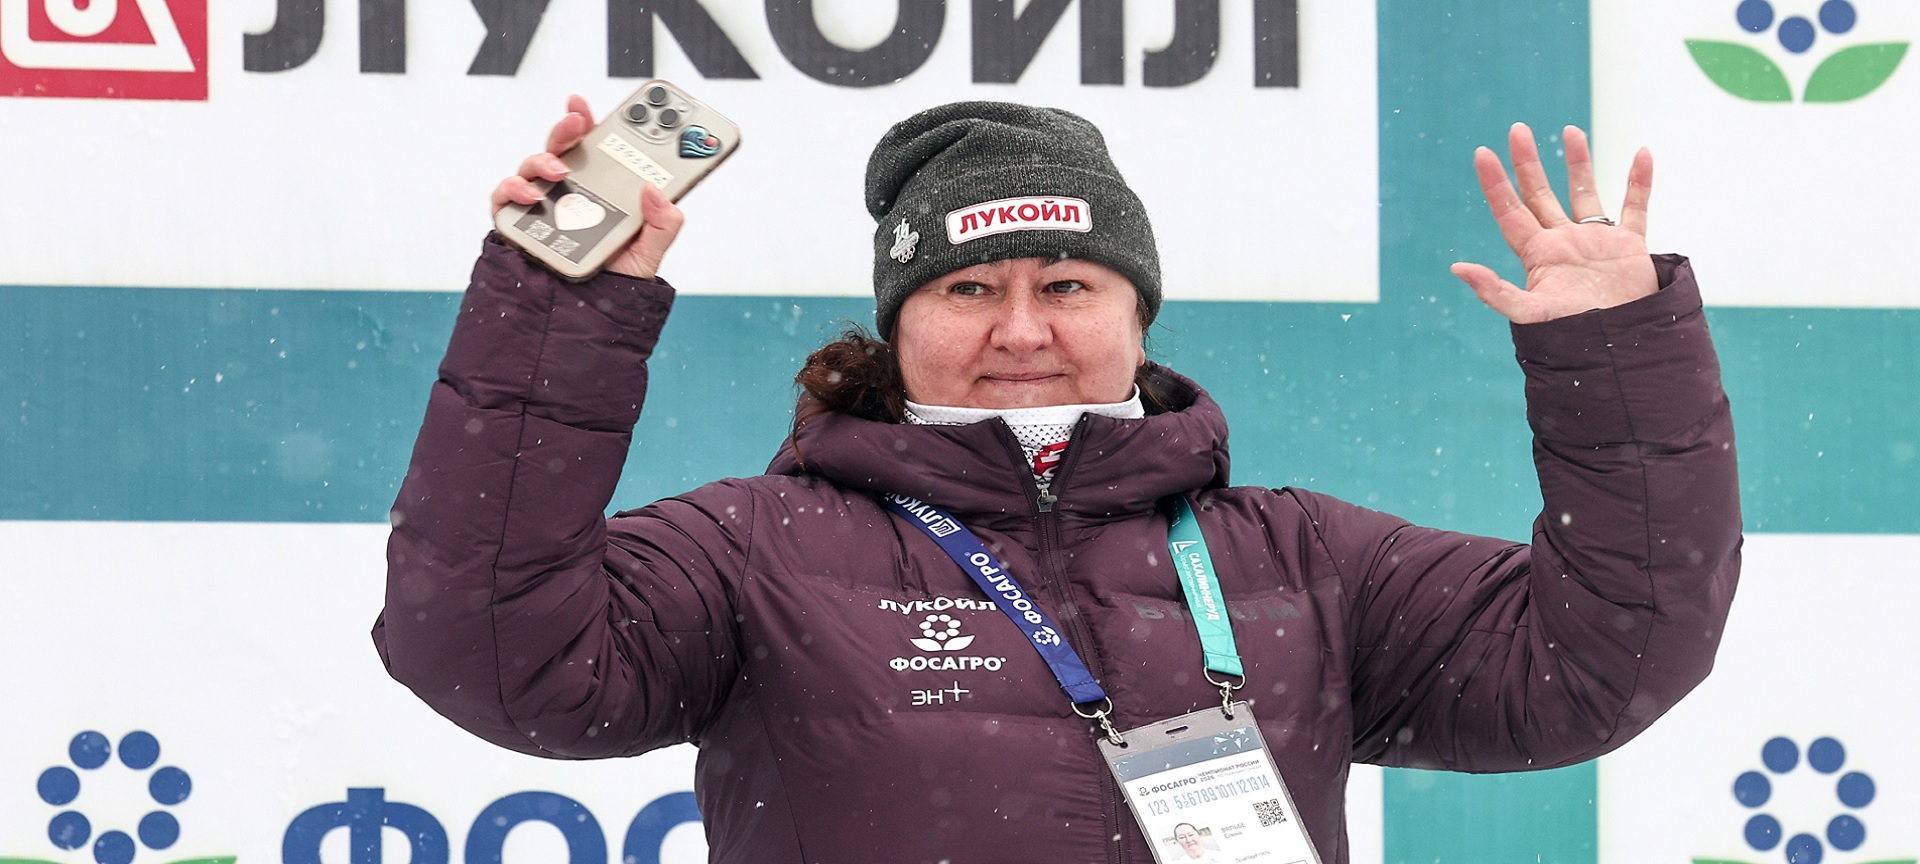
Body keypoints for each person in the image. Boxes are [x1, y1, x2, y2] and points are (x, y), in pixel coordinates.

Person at [375, 98, 1741, 864]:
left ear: (1139, 317)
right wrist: (554, 310)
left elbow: (1603, 660)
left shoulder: (1304, 561)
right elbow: (495, 658)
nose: (1022, 329)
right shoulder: (758, 548)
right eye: (968, 288)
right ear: (898, 325)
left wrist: (1612, 354)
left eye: (1070, 284)